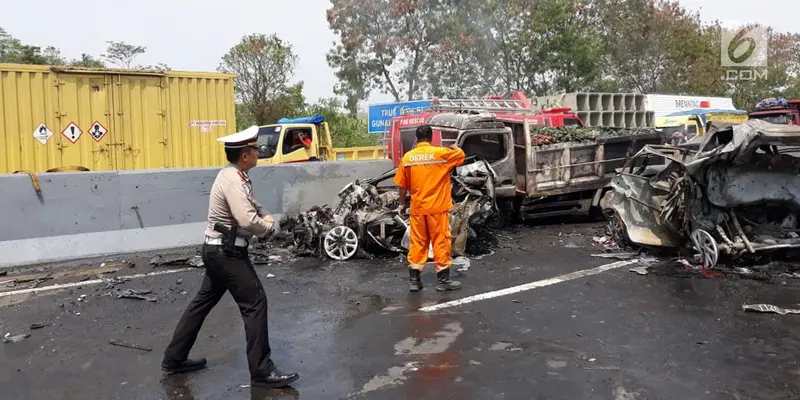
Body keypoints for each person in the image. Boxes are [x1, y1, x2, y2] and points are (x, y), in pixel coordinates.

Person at [161, 126, 299, 389]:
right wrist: (268, 228)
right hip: (227, 253)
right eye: (255, 149)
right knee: (255, 303)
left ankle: (174, 358)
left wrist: (263, 215)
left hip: (217, 250)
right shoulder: (235, 180)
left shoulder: (234, 176)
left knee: (202, 303)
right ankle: (261, 371)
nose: (258, 152)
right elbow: (246, 218)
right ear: (245, 155)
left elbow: (252, 206)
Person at [394, 125, 465, 292]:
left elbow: (402, 185)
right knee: (440, 241)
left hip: (418, 208)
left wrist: (402, 204)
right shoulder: (441, 154)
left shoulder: (408, 158)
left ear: (416, 139)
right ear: (431, 138)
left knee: (417, 243)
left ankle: (414, 281)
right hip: (437, 209)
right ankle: (443, 281)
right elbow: (461, 156)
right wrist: (454, 146)